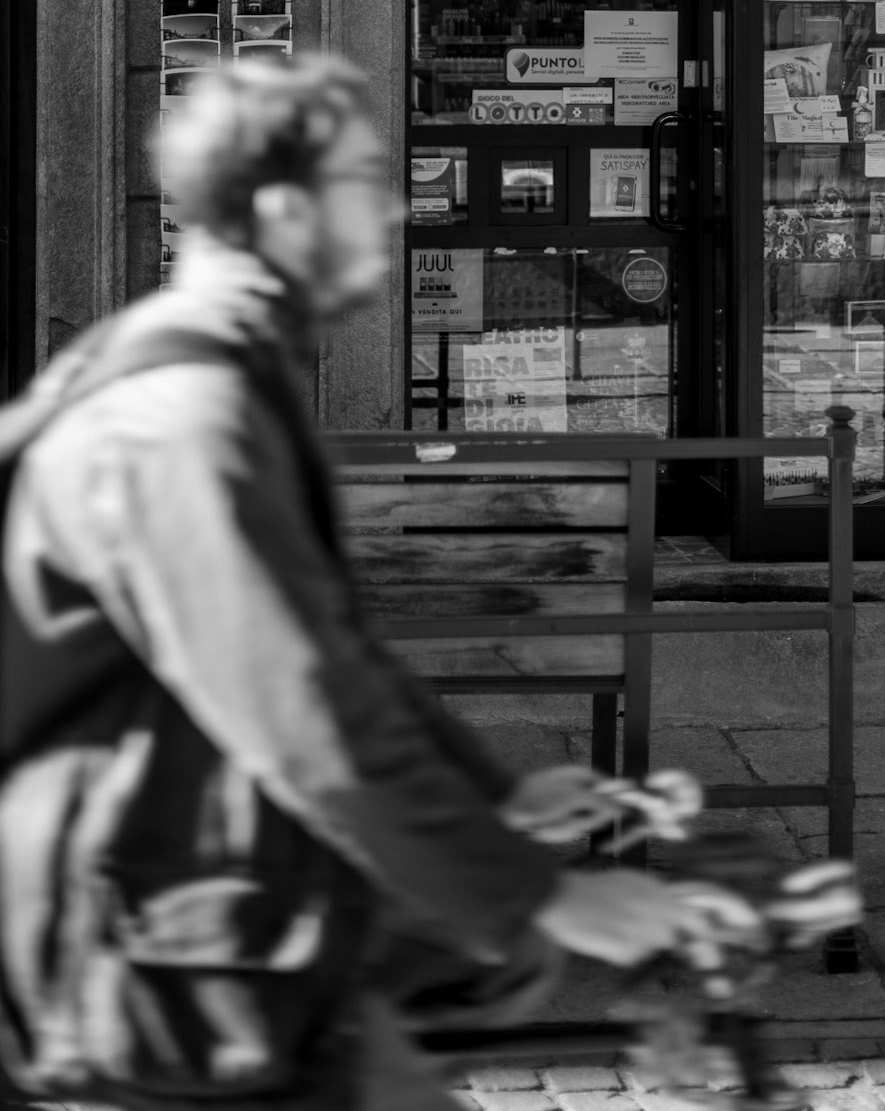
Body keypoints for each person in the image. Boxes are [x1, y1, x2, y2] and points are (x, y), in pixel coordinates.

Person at [0, 56, 713, 1111]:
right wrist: (541, 894)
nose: (392, 208)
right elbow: (302, 707)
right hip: (163, 973)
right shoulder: (181, 421)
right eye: (365, 181)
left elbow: (334, 651)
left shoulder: (214, 381)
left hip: (224, 941)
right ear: (286, 209)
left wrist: (498, 795)